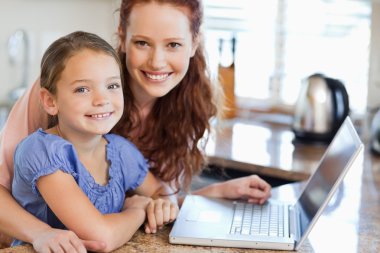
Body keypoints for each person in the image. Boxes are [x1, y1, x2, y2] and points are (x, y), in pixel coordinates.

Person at [0, 0, 272, 252]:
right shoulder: (61, 90)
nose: (157, 61)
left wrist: (212, 194)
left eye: (173, 45)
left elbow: (160, 199)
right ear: (122, 35)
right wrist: (39, 232)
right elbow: (103, 233)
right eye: (142, 42)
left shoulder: (134, 140)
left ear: (194, 43)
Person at [11, 31, 178, 252]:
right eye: (82, 89)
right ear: (50, 101)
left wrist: (162, 205)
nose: (102, 100)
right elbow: (101, 239)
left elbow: (160, 190)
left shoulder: (120, 150)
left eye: (112, 86)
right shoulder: (43, 151)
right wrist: (138, 210)